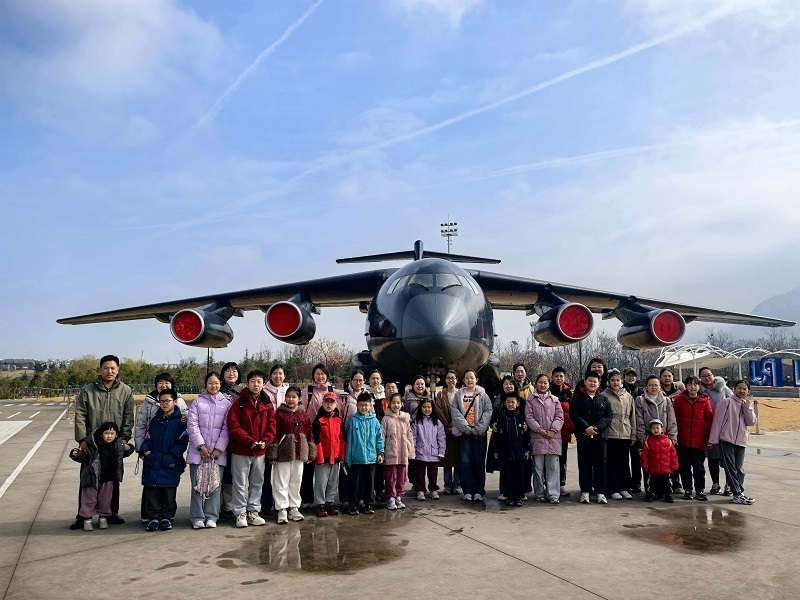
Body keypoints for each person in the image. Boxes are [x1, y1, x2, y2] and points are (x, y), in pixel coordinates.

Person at [71, 355, 134, 530]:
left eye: (113, 368)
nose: (109, 371)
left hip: (114, 444)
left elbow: (129, 417)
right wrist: (82, 440)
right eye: (106, 368)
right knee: (88, 480)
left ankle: (111, 513)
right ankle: (82, 516)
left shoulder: (126, 391)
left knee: (112, 479)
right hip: (93, 444)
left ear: (118, 370)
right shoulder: (88, 390)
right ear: (100, 370)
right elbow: (80, 415)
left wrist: (124, 438)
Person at [226, 369, 277, 528]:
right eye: (253, 381)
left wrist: (265, 441)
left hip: (260, 451)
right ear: (247, 383)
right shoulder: (239, 403)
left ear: (263, 384)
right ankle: (240, 513)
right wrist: (248, 440)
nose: (256, 384)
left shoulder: (267, 404)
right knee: (240, 483)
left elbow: (272, 425)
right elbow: (233, 425)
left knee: (257, 482)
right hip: (241, 450)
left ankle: (253, 512)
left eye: (259, 381)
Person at [186, 372, 232, 529]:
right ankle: (197, 517)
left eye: (216, 383)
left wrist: (219, 449)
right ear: (205, 384)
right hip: (198, 453)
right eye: (210, 383)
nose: (214, 385)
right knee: (197, 486)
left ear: (220, 384)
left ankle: (212, 516)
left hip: (217, 454)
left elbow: (227, 428)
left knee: (215, 485)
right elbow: (192, 425)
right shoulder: (197, 402)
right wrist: (200, 446)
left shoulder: (226, 404)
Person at [69, 422, 134, 531]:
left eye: (112, 433)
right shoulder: (93, 445)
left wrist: (128, 447)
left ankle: (103, 517)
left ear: (116, 435)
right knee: (89, 499)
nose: (109, 436)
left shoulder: (116, 446)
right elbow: (84, 457)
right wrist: (76, 454)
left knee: (105, 499)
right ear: (101, 434)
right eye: (106, 433)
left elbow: (126, 451)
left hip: (108, 478)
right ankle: (87, 519)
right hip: (92, 478)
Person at [139, 389, 189, 531]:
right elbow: (148, 436)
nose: (164, 404)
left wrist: (172, 455)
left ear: (175, 402)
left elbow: (183, 440)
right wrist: (146, 451)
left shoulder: (181, 421)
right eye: (162, 401)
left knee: (169, 491)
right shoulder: (155, 420)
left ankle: (167, 517)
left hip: (171, 461)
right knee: (152, 490)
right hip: (153, 460)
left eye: (168, 401)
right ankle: (153, 518)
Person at [267, 386, 316, 524]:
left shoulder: (304, 415)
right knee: (281, 481)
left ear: (299, 399)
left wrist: (311, 452)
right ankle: (282, 508)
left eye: (294, 397)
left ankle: (294, 507)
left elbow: (309, 435)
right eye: (288, 396)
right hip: (283, 453)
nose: (291, 399)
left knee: (296, 481)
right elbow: (274, 434)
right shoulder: (279, 414)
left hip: (300, 453)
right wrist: (273, 453)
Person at [708, 380, 757, 505]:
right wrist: (713, 439)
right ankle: (737, 493)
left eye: (744, 389)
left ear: (748, 391)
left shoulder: (747, 404)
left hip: (741, 440)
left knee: (739, 468)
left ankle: (740, 492)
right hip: (726, 440)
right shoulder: (726, 402)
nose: (741, 391)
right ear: (734, 389)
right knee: (730, 468)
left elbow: (751, 422)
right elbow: (717, 422)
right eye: (739, 388)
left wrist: (747, 407)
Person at [450, 369, 493, 502]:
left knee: (479, 462)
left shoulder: (483, 395)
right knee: (465, 462)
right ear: (463, 380)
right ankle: (468, 491)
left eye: (472, 378)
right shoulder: (458, 395)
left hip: (479, 434)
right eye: (467, 378)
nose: (469, 380)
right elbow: (455, 412)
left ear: (476, 380)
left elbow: (488, 411)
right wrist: (466, 427)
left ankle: (479, 491)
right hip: (465, 433)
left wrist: (479, 429)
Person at [570, 372, 612, 504]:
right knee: (584, 464)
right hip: (584, 437)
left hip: (600, 437)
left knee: (601, 465)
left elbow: (609, 416)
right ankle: (585, 491)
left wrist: (597, 428)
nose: (592, 383)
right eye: (590, 381)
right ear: (585, 382)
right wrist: (586, 428)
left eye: (595, 381)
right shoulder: (577, 398)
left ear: (599, 383)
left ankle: (600, 492)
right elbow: (574, 414)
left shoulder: (604, 398)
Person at [635, 376, 678, 501]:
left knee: (664, 466)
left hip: (664, 438)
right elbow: (639, 418)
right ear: (646, 386)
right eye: (651, 385)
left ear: (660, 386)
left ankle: (664, 492)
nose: (654, 387)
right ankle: (651, 492)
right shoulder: (640, 400)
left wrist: (672, 435)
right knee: (649, 466)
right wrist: (642, 435)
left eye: (656, 385)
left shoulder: (666, 400)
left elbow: (671, 419)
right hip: (648, 439)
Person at [672, 376, 713, 501]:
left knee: (699, 468)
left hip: (699, 441)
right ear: (686, 386)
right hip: (683, 440)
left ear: (699, 386)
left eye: (695, 385)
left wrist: (709, 438)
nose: (692, 387)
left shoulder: (705, 400)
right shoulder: (679, 399)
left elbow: (709, 420)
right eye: (690, 384)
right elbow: (674, 419)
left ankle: (699, 490)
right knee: (684, 467)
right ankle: (687, 489)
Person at [525, 374, 563, 504]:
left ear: (549, 384)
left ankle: (553, 495)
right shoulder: (531, 399)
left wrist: (553, 430)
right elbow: (529, 417)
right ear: (536, 384)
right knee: (538, 468)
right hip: (537, 437)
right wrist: (539, 430)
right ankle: (539, 493)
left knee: (553, 468)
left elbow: (560, 417)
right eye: (540, 382)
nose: (543, 385)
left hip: (553, 438)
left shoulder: (555, 400)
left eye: (545, 382)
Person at [345, 392, 385, 515]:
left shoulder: (375, 421)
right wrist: (348, 459)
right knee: (355, 483)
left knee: (370, 483)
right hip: (356, 458)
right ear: (357, 406)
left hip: (371, 458)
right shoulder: (353, 421)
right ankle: (353, 505)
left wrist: (380, 453)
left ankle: (369, 504)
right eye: (361, 405)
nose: (364, 408)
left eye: (366, 405)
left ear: (371, 406)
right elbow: (349, 441)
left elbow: (379, 438)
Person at [301, 363, 335, 508]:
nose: (320, 376)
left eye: (323, 373)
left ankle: (326, 500)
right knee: (308, 466)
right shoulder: (308, 391)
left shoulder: (332, 390)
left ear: (327, 375)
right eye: (317, 373)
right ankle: (307, 499)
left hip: (327, 433)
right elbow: (302, 410)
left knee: (325, 467)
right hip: (310, 433)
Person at [491, 391, 531, 507]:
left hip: (518, 452)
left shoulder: (521, 416)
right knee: (507, 475)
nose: (510, 404)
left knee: (519, 475)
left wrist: (527, 450)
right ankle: (509, 497)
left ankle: (518, 497)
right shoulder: (501, 417)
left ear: (517, 403)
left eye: (513, 402)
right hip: (505, 452)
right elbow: (496, 436)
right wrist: (496, 450)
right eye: (508, 402)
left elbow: (526, 436)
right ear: (505, 403)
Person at [602, 369, 636, 500]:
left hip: (625, 433)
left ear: (622, 381)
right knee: (612, 463)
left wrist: (633, 434)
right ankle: (613, 489)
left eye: (618, 380)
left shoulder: (628, 396)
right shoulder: (604, 395)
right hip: (611, 433)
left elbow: (632, 416)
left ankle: (624, 488)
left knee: (624, 463)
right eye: (613, 380)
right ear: (608, 381)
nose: (615, 382)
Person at [699, 367, 734, 496]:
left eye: (709, 375)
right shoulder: (699, 390)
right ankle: (715, 483)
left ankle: (729, 484)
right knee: (712, 457)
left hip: (724, 428)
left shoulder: (723, 389)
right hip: (708, 428)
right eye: (703, 376)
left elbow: (734, 402)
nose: (707, 378)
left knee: (727, 458)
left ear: (713, 375)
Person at [134, 372, 188, 451]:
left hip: (172, 446)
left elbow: (189, 420)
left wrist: (186, 419)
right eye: (160, 383)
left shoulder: (179, 401)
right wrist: (141, 449)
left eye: (167, 383)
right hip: (152, 446)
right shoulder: (149, 402)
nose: (163, 385)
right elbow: (141, 425)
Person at [312, 391, 346, 517]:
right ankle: (320, 504)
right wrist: (319, 457)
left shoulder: (339, 420)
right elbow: (316, 439)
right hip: (323, 457)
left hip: (335, 457)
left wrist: (342, 456)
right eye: (327, 402)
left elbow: (342, 438)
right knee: (321, 482)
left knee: (333, 482)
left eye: (332, 402)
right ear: (322, 403)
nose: (329, 404)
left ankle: (329, 503)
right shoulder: (318, 420)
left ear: (336, 404)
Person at [382, 392, 415, 510]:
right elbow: (382, 436)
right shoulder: (386, 419)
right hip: (391, 453)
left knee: (401, 477)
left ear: (402, 404)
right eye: (393, 402)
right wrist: (381, 452)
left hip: (403, 454)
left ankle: (399, 497)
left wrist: (411, 452)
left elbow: (409, 436)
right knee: (391, 477)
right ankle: (391, 497)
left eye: (398, 403)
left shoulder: (405, 419)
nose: (396, 405)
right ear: (389, 404)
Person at [339, 370, 366, 507]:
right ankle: (345, 498)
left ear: (364, 381)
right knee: (345, 469)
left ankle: (359, 497)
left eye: (360, 380)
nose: (358, 383)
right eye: (356, 380)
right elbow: (339, 415)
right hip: (347, 437)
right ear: (351, 380)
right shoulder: (344, 396)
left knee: (360, 470)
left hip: (363, 439)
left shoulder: (368, 396)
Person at [219, 362, 242, 519]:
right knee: (222, 472)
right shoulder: (217, 390)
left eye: (234, 371)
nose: (231, 373)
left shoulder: (243, 392)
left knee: (236, 472)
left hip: (237, 437)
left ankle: (231, 505)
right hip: (219, 437)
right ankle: (220, 505)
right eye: (228, 370)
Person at [411, 398, 446, 500]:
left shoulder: (437, 422)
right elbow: (413, 437)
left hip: (433, 453)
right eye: (424, 407)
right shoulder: (417, 422)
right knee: (420, 474)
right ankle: (420, 490)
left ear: (432, 408)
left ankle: (433, 490)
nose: (427, 409)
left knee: (433, 474)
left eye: (429, 407)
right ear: (421, 408)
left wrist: (441, 451)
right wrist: (413, 451)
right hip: (420, 452)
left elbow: (441, 438)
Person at [433, 370, 461, 495]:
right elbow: (438, 410)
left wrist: (456, 425)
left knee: (458, 459)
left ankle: (457, 484)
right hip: (445, 431)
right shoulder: (441, 394)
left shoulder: (461, 393)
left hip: (459, 430)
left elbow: (463, 411)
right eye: (448, 378)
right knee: (447, 460)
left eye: (453, 378)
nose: (451, 380)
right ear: (445, 380)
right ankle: (448, 485)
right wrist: (448, 426)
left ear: (457, 380)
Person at [640, 419, 678, 503]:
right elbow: (644, 455)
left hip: (666, 469)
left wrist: (674, 465)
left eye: (658, 428)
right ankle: (652, 494)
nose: (656, 430)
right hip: (653, 469)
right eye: (653, 428)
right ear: (650, 430)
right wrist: (645, 465)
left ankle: (668, 494)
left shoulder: (668, 441)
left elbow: (673, 455)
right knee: (652, 483)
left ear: (662, 429)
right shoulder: (648, 442)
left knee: (667, 483)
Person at [550, 367, 573, 497]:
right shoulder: (548, 391)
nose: (559, 378)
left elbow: (572, 411)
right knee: (550, 459)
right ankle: (548, 484)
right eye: (556, 376)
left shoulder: (568, 393)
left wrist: (572, 428)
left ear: (565, 378)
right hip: (550, 432)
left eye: (561, 376)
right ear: (552, 377)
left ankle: (561, 484)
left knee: (562, 459)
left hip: (564, 431)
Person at [404, 375, 430, 494]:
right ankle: (415, 484)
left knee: (424, 461)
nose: (420, 386)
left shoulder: (429, 398)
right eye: (417, 384)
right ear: (413, 386)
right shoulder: (406, 399)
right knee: (413, 460)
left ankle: (422, 484)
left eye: (422, 384)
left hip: (425, 432)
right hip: (411, 431)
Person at [366, 369, 387, 503]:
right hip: (370, 433)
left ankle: (380, 490)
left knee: (381, 465)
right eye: (373, 378)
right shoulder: (366, 394)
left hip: (383, 433)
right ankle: (369, 492)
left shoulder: (385, 395)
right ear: (369, 380)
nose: (375, 381)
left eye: (377, 378)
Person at [623, 367, 644, 493]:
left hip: (637, 426)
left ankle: (636, 482)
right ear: (624, 377)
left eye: (633, 375)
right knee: (624, 459)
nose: (631, 378)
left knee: (636, 459)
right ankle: (625, 482)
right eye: (628, 375)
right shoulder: (620, 390)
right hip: (624, 428)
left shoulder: (640, 391)